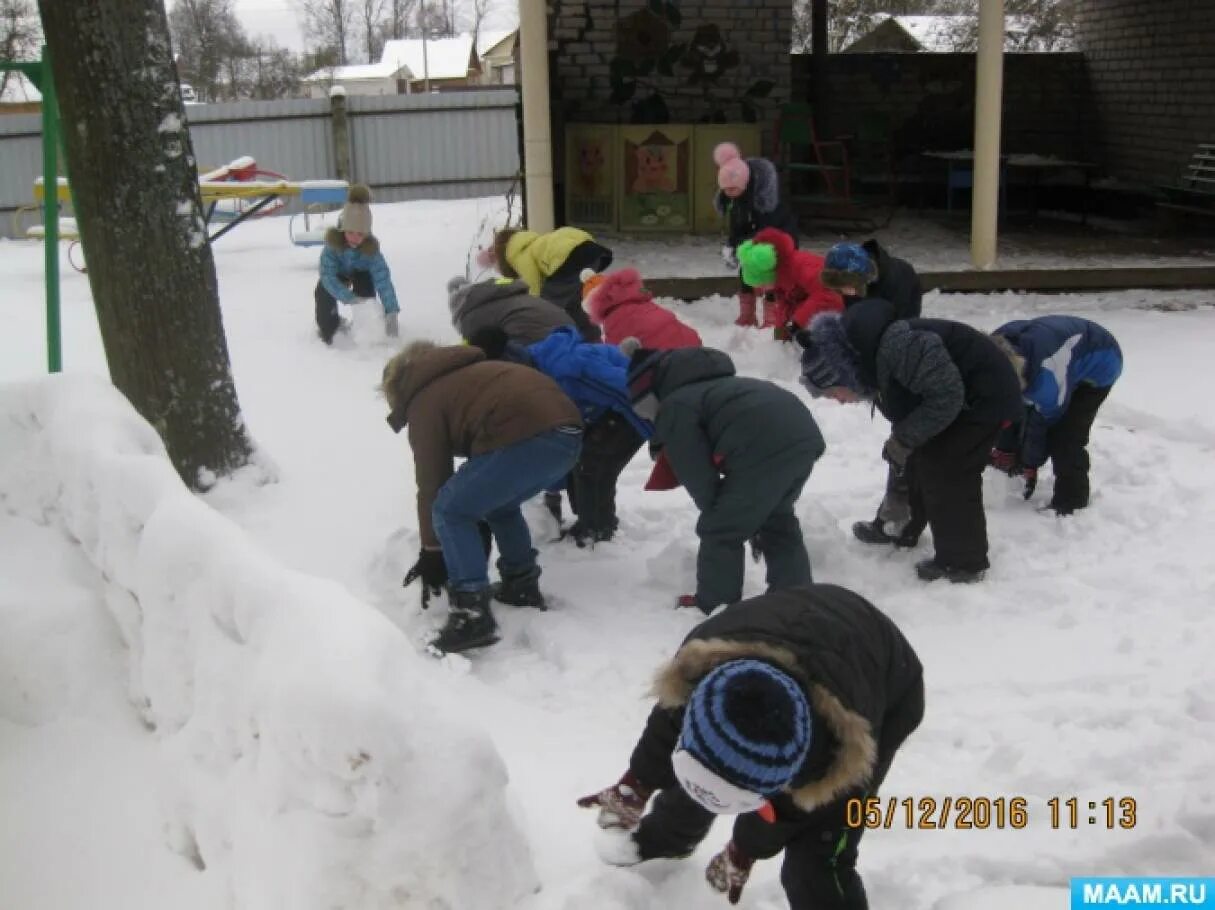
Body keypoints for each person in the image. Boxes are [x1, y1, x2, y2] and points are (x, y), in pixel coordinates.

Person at [577, 585, 924, 910]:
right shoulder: (704, 665)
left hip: (883, 686)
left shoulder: (831, 758)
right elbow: (670, 718)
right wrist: (637, 781)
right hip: (800, 629)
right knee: (713, 763)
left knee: (817, 856)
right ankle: (670, 839)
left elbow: (787, 811)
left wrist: (745, 848)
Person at [797, 302, 1022, 583]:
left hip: (984, 398)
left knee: (948, 472)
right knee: (915, 455)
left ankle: (963, 562)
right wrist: (903, 443)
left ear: (840, 376)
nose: (839, 402)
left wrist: (905, 439)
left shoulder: (899, 347)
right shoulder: (868, 364)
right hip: (955, 400)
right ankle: (898, 525)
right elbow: (909, 426)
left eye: (833, 393)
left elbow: (946, 397)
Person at [382, 340, 583, 654]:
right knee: (499, 505)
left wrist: (432, 550)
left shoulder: (425, 397)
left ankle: (471, 613)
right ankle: (521, 584)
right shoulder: (467, 374)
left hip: (529, 435)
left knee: (449, 509)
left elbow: (432, 482)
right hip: (568, 436)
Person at [625, 345, 826, 612]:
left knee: (720, 530)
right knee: (776, 518)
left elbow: (697, 473)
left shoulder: (677, 405)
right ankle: (793, 595)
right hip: (804, 437)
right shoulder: (722, 386)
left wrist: (719, 513)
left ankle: (715, 605)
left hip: (763, 446)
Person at [468, 325, 653, 547]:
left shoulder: (566, 367)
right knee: (581, 459)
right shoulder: (527, 375)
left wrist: (661, 440)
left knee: (593, 463)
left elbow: (627, 389)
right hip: (602, 411)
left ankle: (597, 531)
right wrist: (552, 488)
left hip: (636, 403)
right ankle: (590, 523)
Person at [814, 241, 924, 549]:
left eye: (849, 288)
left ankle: (898, 520)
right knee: (907, 441)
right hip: (887, 364)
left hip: (907, 364)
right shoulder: (858, 286)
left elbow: (899, 333)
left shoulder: (898, 280)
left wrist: (879, 376)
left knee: (908, 439)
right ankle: (897, 518)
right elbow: (857, 328)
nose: (846, 295)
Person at [989, 316, 1123, 515]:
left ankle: (1071, 501)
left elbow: (1043, 424)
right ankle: (1013, 461)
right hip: (1060, 353)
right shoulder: (989, 353)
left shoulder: (1046, 380)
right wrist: (1004, 449)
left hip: (1100, 363)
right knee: (1017, 410)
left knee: (1065, 436)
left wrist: (1029, 463)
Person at [712, 142, 800, 329]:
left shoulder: (766, 201)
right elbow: (737, 227)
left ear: (743, 183)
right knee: (745, 272)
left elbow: (769, 231)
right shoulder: (736, 200)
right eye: (725, 190)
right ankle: (747, 314)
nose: (729, 194)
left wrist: (748, 244)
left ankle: (772, 317)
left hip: (778, 240)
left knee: (770, 278)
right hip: (753, 243)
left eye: (732, 189)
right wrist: (732, 245)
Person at [476, 226, 612, 341]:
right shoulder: (532, 241)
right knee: (573, 304)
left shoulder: (518, 255)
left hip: (569, 260)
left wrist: (532, 305)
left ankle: (543, 341)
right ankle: (592, 339)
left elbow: (533, 284)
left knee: (545, 305)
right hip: (592, 251)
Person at [315, 184, 400, 344]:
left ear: (367, 234)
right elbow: (327, 276)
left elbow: (383, 281)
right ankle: (331, 326)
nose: (354, 238)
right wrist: (349, 297)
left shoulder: (371, 252)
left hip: (359, 274)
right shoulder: (333, 246)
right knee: (322, 290)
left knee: (366, 281)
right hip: (337, 275)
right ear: (343, 230)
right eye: (350, 232)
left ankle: (367, 326)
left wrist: (392, 311)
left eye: (360, 234)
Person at [735, 227, 842, 339]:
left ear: (769, 273)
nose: (762, 289)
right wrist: (781, 325)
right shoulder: (782, 274)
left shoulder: (802, 267)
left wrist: (797, 323)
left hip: (845, 311)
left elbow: (828, 295)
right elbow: (787, 302)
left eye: (762, 283)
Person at [582, 268, 703, 350]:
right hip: (692, 346)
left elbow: (614, 357)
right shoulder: (643, 303)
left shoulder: (614, 322)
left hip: (668, 364)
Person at [447, 275, 576, 346]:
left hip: (544, 344)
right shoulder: (498, 294)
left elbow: (475, 353)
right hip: (572, 331)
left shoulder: (471, 317)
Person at [818, 240, 923, 321]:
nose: (844, 292)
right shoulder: (852, 285)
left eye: (846, 285)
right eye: (839, 287)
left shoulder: (897, 278)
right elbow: (853, 319)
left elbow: (901, 324)